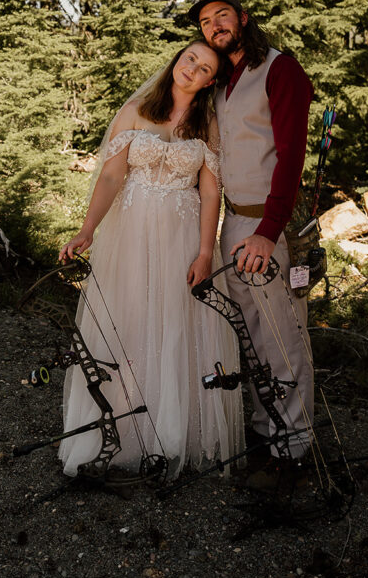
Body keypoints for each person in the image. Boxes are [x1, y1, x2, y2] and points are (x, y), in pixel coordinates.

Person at [58, 41, 243, 481]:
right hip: (131, 233)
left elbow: (211, 191)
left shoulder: (207, 124)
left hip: (181, 236)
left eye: (203, 69)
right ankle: (115, 430)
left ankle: (169, 433)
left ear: (210, 82)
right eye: (189, 59)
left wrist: (204, 251)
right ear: (177, 60)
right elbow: (110, 174)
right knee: (128, 319)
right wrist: (87, 230)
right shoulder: (138, 109)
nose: (192, 70)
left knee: (173, 324)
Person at [188, 0, 314, 489]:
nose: (215, 26)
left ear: (243, 18)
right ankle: (267, 432)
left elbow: (290, 157)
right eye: (205, 22)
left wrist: (267, 233)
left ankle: (296, 446)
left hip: (272, 226)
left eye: (223, 15)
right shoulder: (222, 83)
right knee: (253, 338)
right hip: (235, 225)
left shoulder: (281, 70)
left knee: (284, 336)